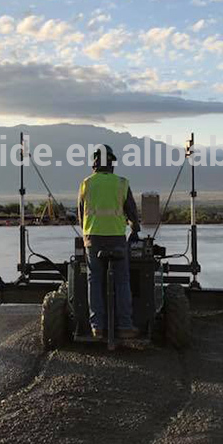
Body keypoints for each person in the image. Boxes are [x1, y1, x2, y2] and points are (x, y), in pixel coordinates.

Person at [77, 144, 141, 339]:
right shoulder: (122, 183)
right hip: (116, 238)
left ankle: (97, 326)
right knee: (122, 280)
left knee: (94, 280)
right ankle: (125, 325)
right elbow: (131, 212)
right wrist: (135, 230)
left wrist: (87, 232)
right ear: (112, 163)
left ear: (94, 163)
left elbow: (81, 215)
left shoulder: (86, 183)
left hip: (92, 239)